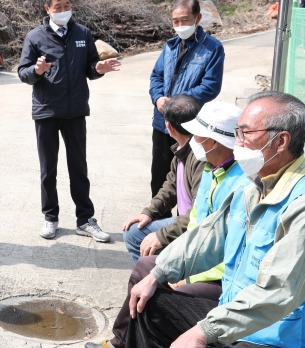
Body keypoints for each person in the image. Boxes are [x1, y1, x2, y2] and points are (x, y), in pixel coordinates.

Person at [125, 91, 305, 348]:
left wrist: (203, 332)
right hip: (237, 322)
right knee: (148, 304)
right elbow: (208, 236)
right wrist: (158, 272)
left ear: (281, 141)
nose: (236, 142)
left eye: (244, 133)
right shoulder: (255, 187)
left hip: (277, 338)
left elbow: (277, 292)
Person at [88, 100, 250, 348]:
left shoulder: (243, 185)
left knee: (157, 300)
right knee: (144, 267)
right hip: (200, 264)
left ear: (215, 141)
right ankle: (120, 342)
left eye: (198, 134)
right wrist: (169, 267)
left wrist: (186, 274)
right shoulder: (211, 168)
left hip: (224, 280)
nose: (193, 138)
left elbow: (229, 250)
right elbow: (197, 224)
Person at [18, 0, 121, 242]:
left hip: (75, 111)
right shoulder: (35, 37)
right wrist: (37, 71)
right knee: (48, 169)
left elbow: (90, 67)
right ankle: (50, 218)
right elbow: (23, 72)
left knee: (78, 167)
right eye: (58, 7)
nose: (63, 11)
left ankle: (85, 219)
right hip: (46, 111)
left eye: (67, 6)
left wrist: (99, 68)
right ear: (47, 9)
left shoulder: (83, 33)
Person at [149, 0, 224, 210]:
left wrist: (176, 103)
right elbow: (156, 77)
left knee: (189, 178)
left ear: (198, 18)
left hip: (191, 125)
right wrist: (158, 99)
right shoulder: (170, 46)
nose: (180, 26)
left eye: (185, 20)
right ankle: (158, 224)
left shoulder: (212, 48)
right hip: (163, 123)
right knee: (160, 179)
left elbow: (210, 86)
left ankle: (186, 226)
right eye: (176, 21)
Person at [121, 94, 206, 263]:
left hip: (198, 228)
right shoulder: (182, 150)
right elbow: (170, 186)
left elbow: (199, 214)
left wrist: (162, 235)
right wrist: (149, 212)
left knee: (137, 237)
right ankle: (153, 276)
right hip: (187, 222)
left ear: (169, 126)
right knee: (134, 231)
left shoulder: (201, 158)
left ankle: (159, 279)